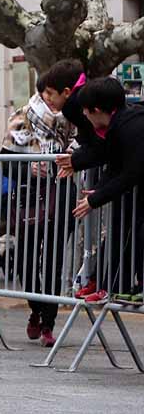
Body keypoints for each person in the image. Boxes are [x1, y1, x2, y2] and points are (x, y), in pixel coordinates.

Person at [2, 78, 77, 347]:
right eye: (44, 92)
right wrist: (28, 168)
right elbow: (4, 161)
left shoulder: (73, 119)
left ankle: (48, 323)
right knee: (24, 257)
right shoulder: (23, 116)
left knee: (54, 261)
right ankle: (36, 307)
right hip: (29, 197)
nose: (47, 97)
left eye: (52, 93)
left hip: (63, 194)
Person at [58, 76, 144, 303]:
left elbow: (130, 173)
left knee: (136, 232)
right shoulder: (117, 126)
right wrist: (98, 189)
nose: (84, 117)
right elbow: (114, 162)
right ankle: (117, 286)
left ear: (96, 110)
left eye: (85, 112)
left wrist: (96, 199)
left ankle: (127, 286)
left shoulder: (131, 127)